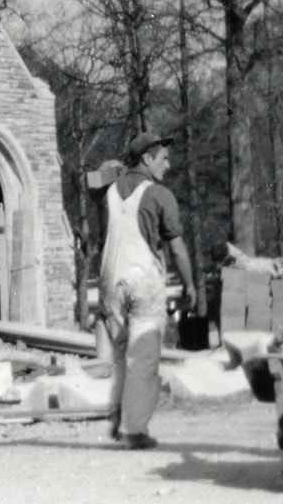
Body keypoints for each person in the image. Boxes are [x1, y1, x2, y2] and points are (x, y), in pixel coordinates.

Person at [100, 130, 195, 450]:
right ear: (146, 159)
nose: (168, 165)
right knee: (143, 356)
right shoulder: (159, 195)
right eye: (163, 158)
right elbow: (177, 247)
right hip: (143, 281)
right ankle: (134, 430)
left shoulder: (109, 192)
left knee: (121, 354)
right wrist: (190, 283)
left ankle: (116, 413)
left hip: (110, 280)